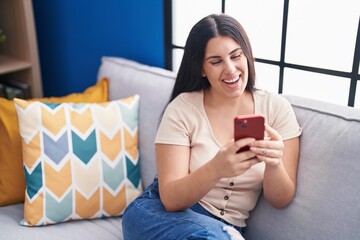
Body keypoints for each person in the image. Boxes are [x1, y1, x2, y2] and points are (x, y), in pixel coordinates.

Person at [122, 13, 302, 240]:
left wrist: (274, 164)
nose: (230, 69)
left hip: (225, 230)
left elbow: (281, 199)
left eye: (236, 56)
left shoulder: (276, 109)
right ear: (201, 69)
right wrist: (217, 168)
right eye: (216, 62)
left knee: (212, 237)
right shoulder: (183, 108)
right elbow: (171, 200)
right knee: (143, 221)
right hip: (162, 214)